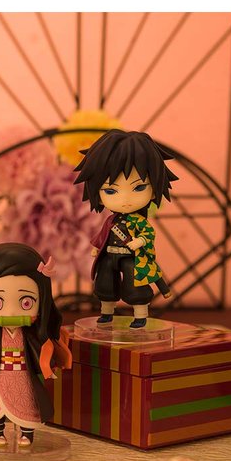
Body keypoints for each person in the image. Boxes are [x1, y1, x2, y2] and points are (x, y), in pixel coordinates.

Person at [0, 243, 72, 448]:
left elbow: (41, 350)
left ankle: (26, 434)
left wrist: (48, 366)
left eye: (26, 302)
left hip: (23, 375)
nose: (10, 312)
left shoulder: (32, 336)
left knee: (27, 405)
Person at [73, 129, 178, 328]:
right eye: (110, 191)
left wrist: (140, 241)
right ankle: (106, 312)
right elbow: (103, 234)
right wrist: (97, 247)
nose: (125, 200)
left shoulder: (140, 222)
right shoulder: (111, 220)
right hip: (109, 254)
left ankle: (140, 315)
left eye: (139, 188)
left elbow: (148, 233)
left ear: (154, 188)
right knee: (105, 283)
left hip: (132, 257)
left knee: (135, 285)